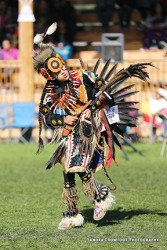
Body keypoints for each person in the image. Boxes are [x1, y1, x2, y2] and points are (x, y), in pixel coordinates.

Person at [32, 23, 152, 230]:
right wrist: (64, 120)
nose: (63, 72)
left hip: (91, 125)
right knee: (68, 171)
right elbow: (46, 117)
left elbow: (107, 94)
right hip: (68, 132)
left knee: (76, 164)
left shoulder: (85, 77)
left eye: (63, 67)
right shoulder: (52, 92)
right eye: (58, 72)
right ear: (50, 76)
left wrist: (91, 108)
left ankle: (98, 197)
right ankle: (73, 213)